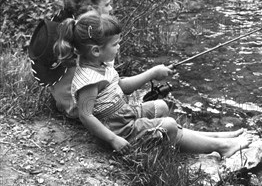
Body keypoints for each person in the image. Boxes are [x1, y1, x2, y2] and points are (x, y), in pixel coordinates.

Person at [54, 10, 249, 157]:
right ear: (96, 50)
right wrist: (114, 140)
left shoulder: (101, 65)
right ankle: (221, 147)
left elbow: (123, 86)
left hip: (124, 115)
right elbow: (85, 116)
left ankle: (214, 137)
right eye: (115, 44)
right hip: (119, 130)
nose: (119, 46)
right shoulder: (88, 80)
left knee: (161, 107)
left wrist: (154, 72)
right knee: (170, 125)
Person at [49, 0, 168, 120]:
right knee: (164, 116)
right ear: (92, 8)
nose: (111, 8)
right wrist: (153, 73)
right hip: (88, 109)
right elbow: (120, 86)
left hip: (67, 105)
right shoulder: (95, 37)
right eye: (107, 4)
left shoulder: (72, 30)